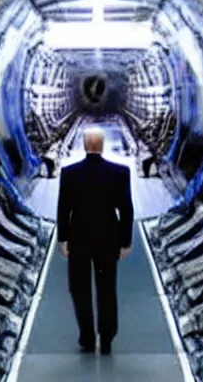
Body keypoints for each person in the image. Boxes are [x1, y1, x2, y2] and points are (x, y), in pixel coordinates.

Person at [57, 126, 134, 354]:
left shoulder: (70, 173)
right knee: (106, 289)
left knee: (79, 289)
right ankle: (107, 338)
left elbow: (64, 208)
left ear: (84, 145)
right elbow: (126, 209)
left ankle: (87, 338)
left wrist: (63, 238)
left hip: (79, 238)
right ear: (101, 146)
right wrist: (125, 240)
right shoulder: (119, 172)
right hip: (108, 238)